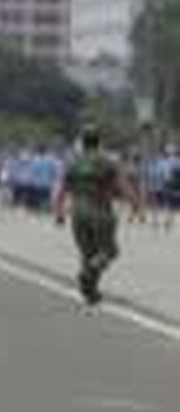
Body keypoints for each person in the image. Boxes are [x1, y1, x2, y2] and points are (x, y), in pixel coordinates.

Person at [54, 126, 141, 306]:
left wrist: (59, 212)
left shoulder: (73, 162)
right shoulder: (107, 161)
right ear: (99, 141)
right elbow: (122, 185)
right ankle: (89, 275)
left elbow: (61, 189)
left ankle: (90, 292)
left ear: (82, 142)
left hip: (77, 211)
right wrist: (135, 204)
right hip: (100, 210)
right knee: (109, 252)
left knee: (87, 253)